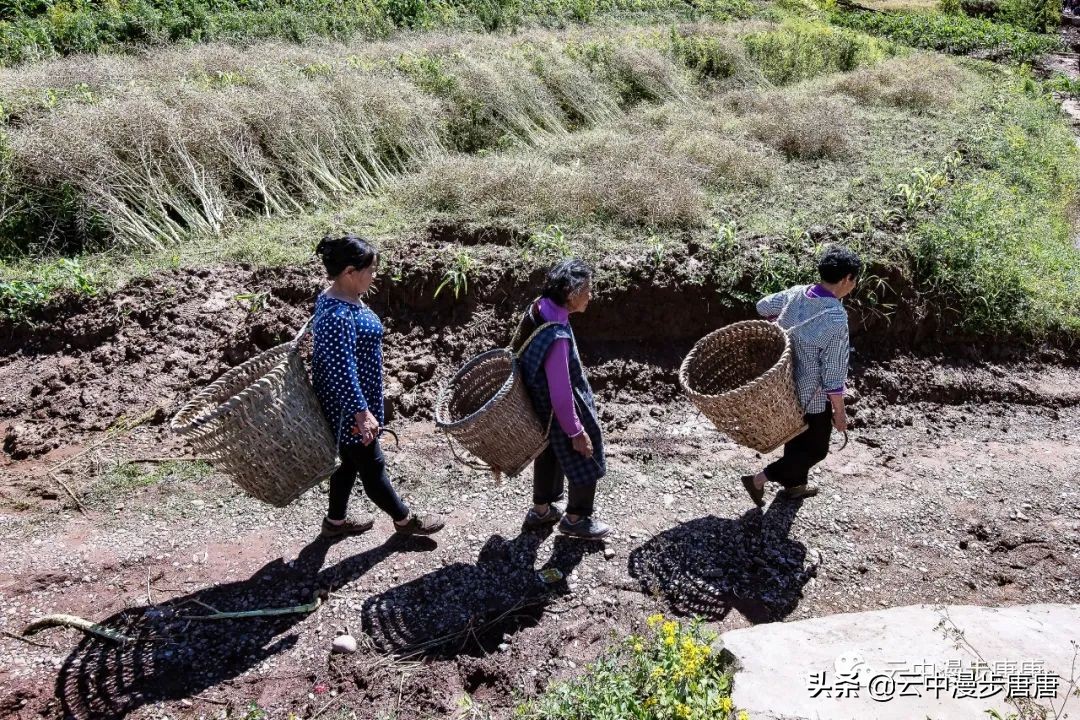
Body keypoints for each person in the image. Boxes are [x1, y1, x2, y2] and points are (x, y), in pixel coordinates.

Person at [311, 234, 444, 539]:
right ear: (349, 272)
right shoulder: (338, 316)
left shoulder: (338, 298)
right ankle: (405, 520)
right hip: (348, 409)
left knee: (347, 463)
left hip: (351, 403)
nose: (374, 275)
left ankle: (334, 523)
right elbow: (341, 371)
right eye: (370, 270)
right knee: (373, 467)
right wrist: (361, 413)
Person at [740, 246, 862, 506]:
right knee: (817, 449)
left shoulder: (797, 293)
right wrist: (839, 413)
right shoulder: (836, 317)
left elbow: (762, 306)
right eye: (855, 280)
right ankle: (759, 479)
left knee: (797, 438)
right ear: (846, 279)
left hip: (782, 385)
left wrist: (780, 322)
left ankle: (796, 486)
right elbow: (833, 374)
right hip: (812, 395)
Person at [510, 259, 610, 540]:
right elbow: (561, 392)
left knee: (549, 452)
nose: (590, 295)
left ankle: (542, 510)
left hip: (539, 404)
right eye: (587, 289)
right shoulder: (557, 337)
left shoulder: (540, 306)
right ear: (570, 294)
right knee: (585, 453)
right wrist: (577, 431)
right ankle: (576, 518)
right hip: (559, 407)